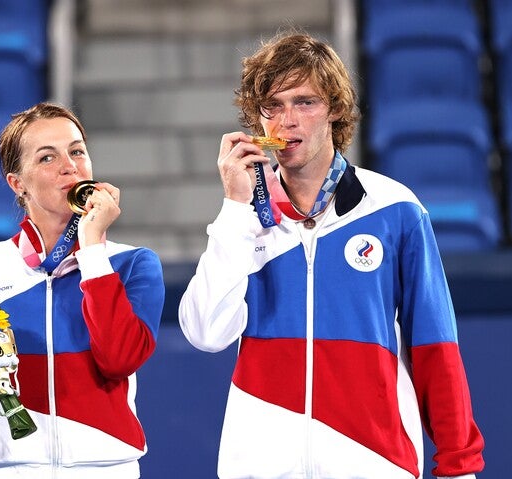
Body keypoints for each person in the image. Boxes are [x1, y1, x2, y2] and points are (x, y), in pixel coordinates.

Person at [178, 30, 485, 479]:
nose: (288, 121)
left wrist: (459, 466)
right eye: (273, 106)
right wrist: (233, 208)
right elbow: (206, 333)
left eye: (305, 102)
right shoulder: (244, 220)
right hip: (261, 468)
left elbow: (434, 346)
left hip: (374, 463)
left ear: (335, 109)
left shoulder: (395, 209)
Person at [0, 102, 165, 479]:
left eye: (77, 151)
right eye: (47, 157)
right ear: (18, 183)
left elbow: (120, 359)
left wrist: (93, 250)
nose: (70, 166)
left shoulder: (132, 265)